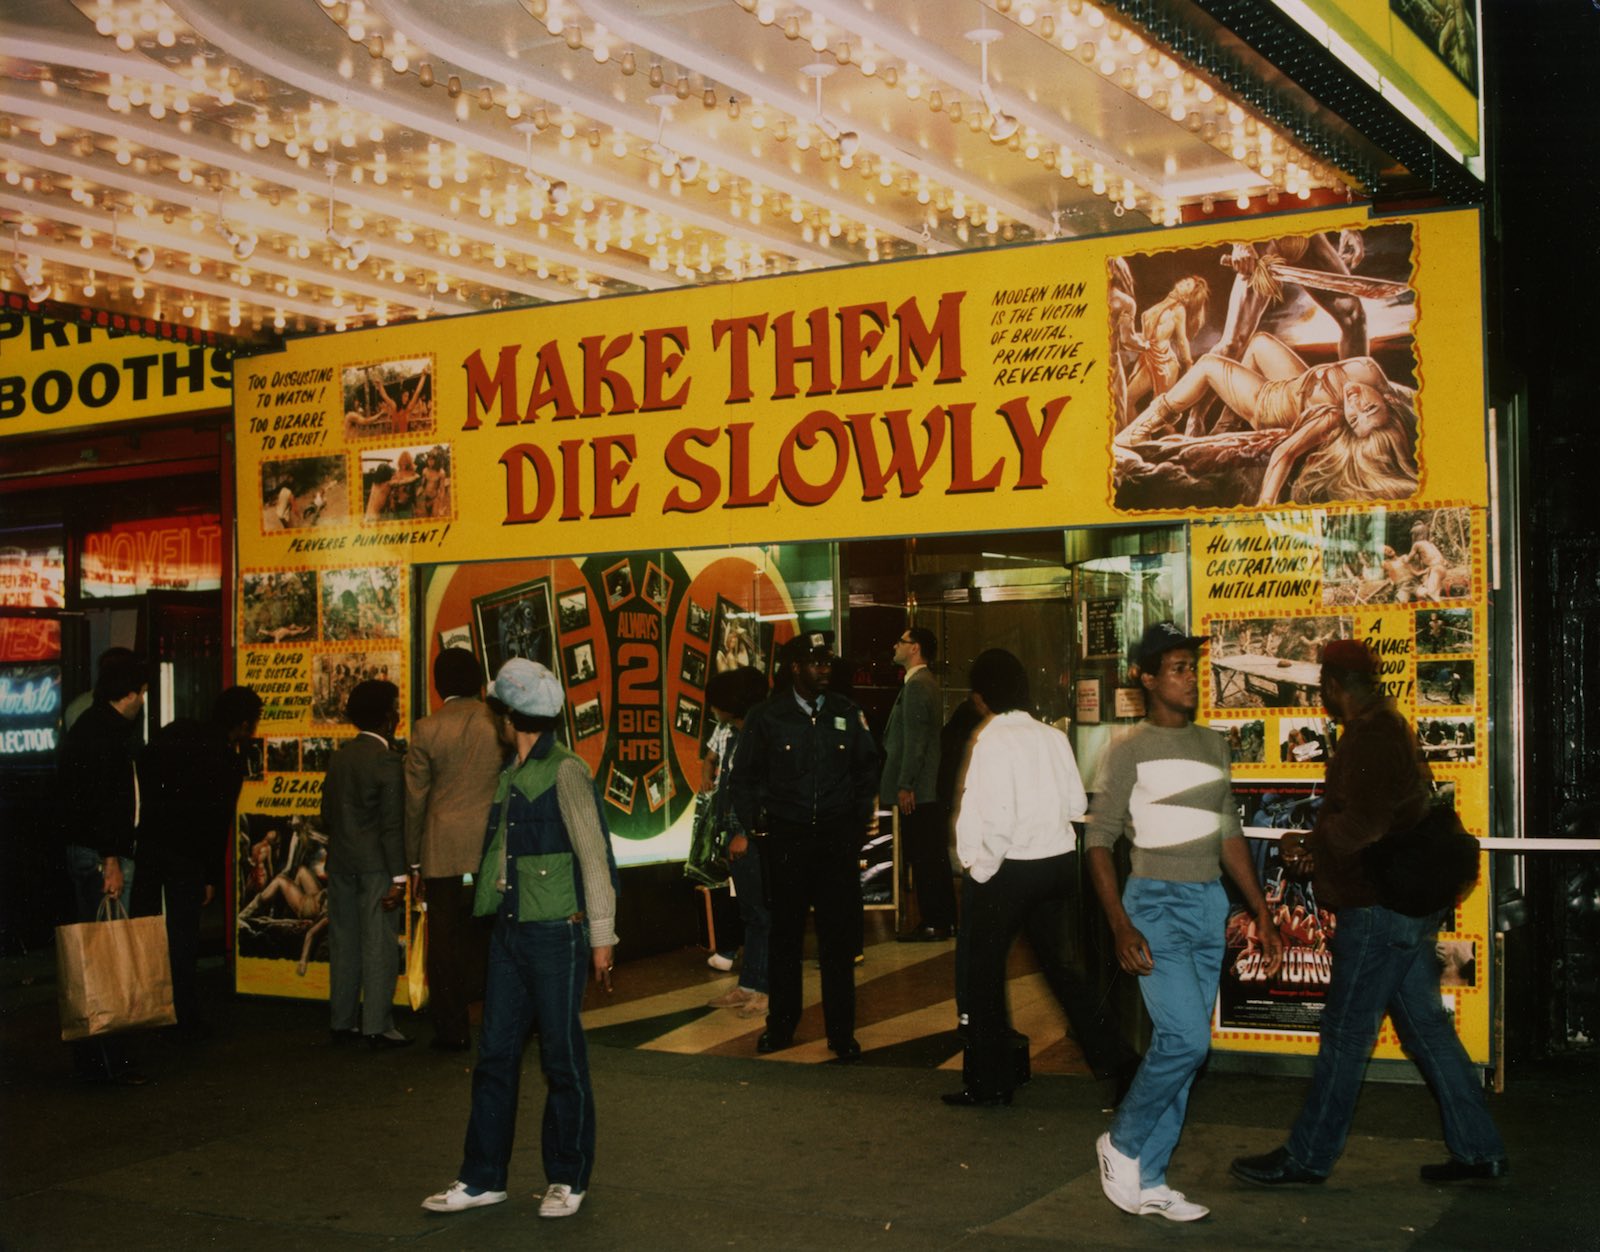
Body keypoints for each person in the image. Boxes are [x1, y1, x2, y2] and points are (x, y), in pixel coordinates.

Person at [1230, 640, 1507, 1188]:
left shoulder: (1371, 735)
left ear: (1333, 685)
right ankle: (1479, 1150)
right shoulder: (1388, 726)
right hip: (1402, 909)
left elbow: (1367, 823)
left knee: (1345, 1034)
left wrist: (1310, 844)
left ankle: (1308, 1158)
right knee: (1426, 1027)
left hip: (1380, 910)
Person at [1087, 622, 1283, 1223]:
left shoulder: (1213, 745)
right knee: (1187, 1040)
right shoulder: (1128, 749)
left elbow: (1227, 833)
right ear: (1145, 678)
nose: (1190, 678)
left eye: (1191, 667)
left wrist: (1260, 910)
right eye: (1176, 668)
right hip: (1154, 904)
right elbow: (1098, 841)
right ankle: (1120, 1144)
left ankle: (1152, 1177)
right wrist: (1120, 923)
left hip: (1207, 906)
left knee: (1183, 1048)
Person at [422, 659, 617, 1221]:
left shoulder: (566, 772)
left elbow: (595, 858)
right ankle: (483, 1177)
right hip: (509, 932)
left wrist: (601, 937)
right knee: (495, 1057)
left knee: (562, 1061)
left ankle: (567, 1176)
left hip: (558, 935)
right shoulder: (509, 774)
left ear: (510, 716)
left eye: (498, 713)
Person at [943, 649, 1139, 1108]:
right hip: (1055, 867)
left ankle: (992, 1082)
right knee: (1063, 971)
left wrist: (980, 869)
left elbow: (992, 816)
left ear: (982, 695)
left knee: (983, 975)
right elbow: (1074, 804)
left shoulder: (991, 738)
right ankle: (1120, 1060)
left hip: (1008, 868)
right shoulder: (1052, 737)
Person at [729, 631, 880, 1061]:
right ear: (795, 668)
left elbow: (867, 768)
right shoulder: (767, 717)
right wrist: (760, 823)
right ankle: (780, 1026)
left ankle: (841, 1033)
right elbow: (744, 778)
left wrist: (852, 824)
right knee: (785, 939)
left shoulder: (846, 713)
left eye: (828, 661)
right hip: (787, 841)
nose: (825, 668)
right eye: (816, 662)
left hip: (835, 843)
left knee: (838, 943)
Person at [132, 686, 262, 1037]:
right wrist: (210, 876)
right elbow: (216, 824)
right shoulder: (227, 761)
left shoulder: (178, 730)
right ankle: (182, 1017)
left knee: (141, 928)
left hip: (151, 842)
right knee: (182, 937)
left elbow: (142, 763)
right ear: (244, 724)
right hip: (187, 856)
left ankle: (137, 1007)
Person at [404, 647, 505, 1051]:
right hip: (490, 838)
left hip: (441, 842)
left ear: (437, 684)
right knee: (499, 930)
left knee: (443, 939)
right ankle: (504, 1022)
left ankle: (452, 1030)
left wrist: (412, 861)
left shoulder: (426, 728)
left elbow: (414, 801)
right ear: (479, 681)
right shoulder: (497, 722)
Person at [58, 652, 151, 1085]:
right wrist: (111, 859)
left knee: (91, 952)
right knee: (110, 956)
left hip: (84, 852)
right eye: (143, 692)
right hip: (103, 857)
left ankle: (92, 1054)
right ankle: (111, 1059)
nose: (144, 700)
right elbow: (104, 804)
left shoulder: (86, 726)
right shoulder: (109, 735)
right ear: (130, 693)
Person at [321, 679, 410, 1048]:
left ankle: (342, 1022)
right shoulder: (387, 761)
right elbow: (392, 825)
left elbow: (327, 815)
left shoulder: (339, 757)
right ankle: (377, 1025)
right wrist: (400, 877)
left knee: (344, 943)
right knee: (378, 944)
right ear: (389, 716)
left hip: (341, 862)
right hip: (377, 865)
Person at [702, 666, 774, 1020]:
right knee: (752, 912)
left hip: (753, 835)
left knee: (762, 912)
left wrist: (744, 832)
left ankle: (764, 988)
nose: (713, 710)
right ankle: (750, 984)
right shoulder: (734, 733)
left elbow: (760, 789)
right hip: (736, 832)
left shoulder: (759, 735)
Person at [885, 626, 956, 943]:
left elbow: (915, 742)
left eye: (901, 641)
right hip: (926, 788)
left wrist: (905, 784)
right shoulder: (925, 683)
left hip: (919, 789)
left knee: (925, 857)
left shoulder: (917, 686)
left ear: (915, 649)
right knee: (932, 855)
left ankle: (935, 921)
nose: (896, 645)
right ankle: (942, 919)